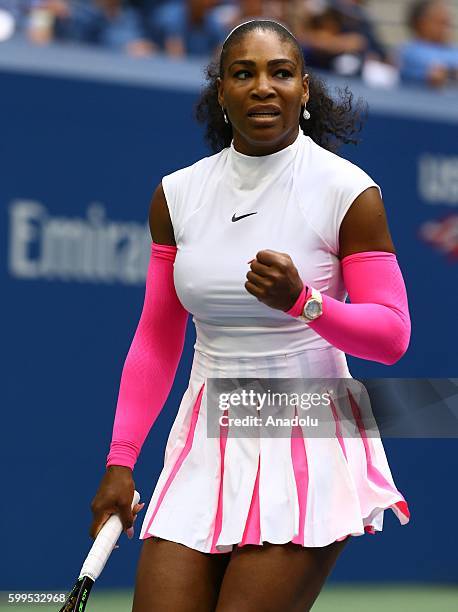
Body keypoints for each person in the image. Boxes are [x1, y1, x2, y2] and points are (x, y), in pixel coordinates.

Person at [89, 18, 411, 611]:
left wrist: (305, 303)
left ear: (304, 90)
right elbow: (157, 337)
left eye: (280, 73)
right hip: (206, 434)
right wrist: (121, 459)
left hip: (310, 434)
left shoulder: (348, 192)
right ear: (222, 92)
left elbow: (391, 335)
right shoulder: (177, 194)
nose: (263, 86)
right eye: (244, 73)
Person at [398, 0, 458, 87]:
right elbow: (435, 75)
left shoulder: (454, 49)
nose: (446, 28)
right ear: (422, 23)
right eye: (440, 22)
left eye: (447, 23)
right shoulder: (409, 52)